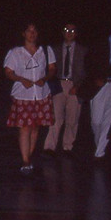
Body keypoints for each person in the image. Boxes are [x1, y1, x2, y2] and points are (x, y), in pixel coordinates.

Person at [4, 22, 56, 175]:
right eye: (28, 31)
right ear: (23, 34)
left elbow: (52, 69)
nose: (32, 34)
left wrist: (45, 78)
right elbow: (8, 72)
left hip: (41, 94)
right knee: (24, 128)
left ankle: (30, 155)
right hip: (23, 95)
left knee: (35, 127)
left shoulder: (45, 50)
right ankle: (25, 160)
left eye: (34, 31)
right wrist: (20, 79)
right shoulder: (15, 52)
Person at [42, 22, 87, 155]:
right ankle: (50, 147)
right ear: (62, 32)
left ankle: (68, 146)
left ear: (76, 34)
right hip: (59, 84)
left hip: (75, 85)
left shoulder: (83, 50)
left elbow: (86, 71)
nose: (69, 33)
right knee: (56, 117)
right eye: (67, 30)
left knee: (72, 119)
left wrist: (78, 86)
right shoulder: (54, 49)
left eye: (73, 31)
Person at [86, 18, 111, 160]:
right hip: (101, 84)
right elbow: (89, 62)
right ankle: (99, 145)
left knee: (109, 121)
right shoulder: (100, 43)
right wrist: (95, 78)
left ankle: (100, 153)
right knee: (96, 120)